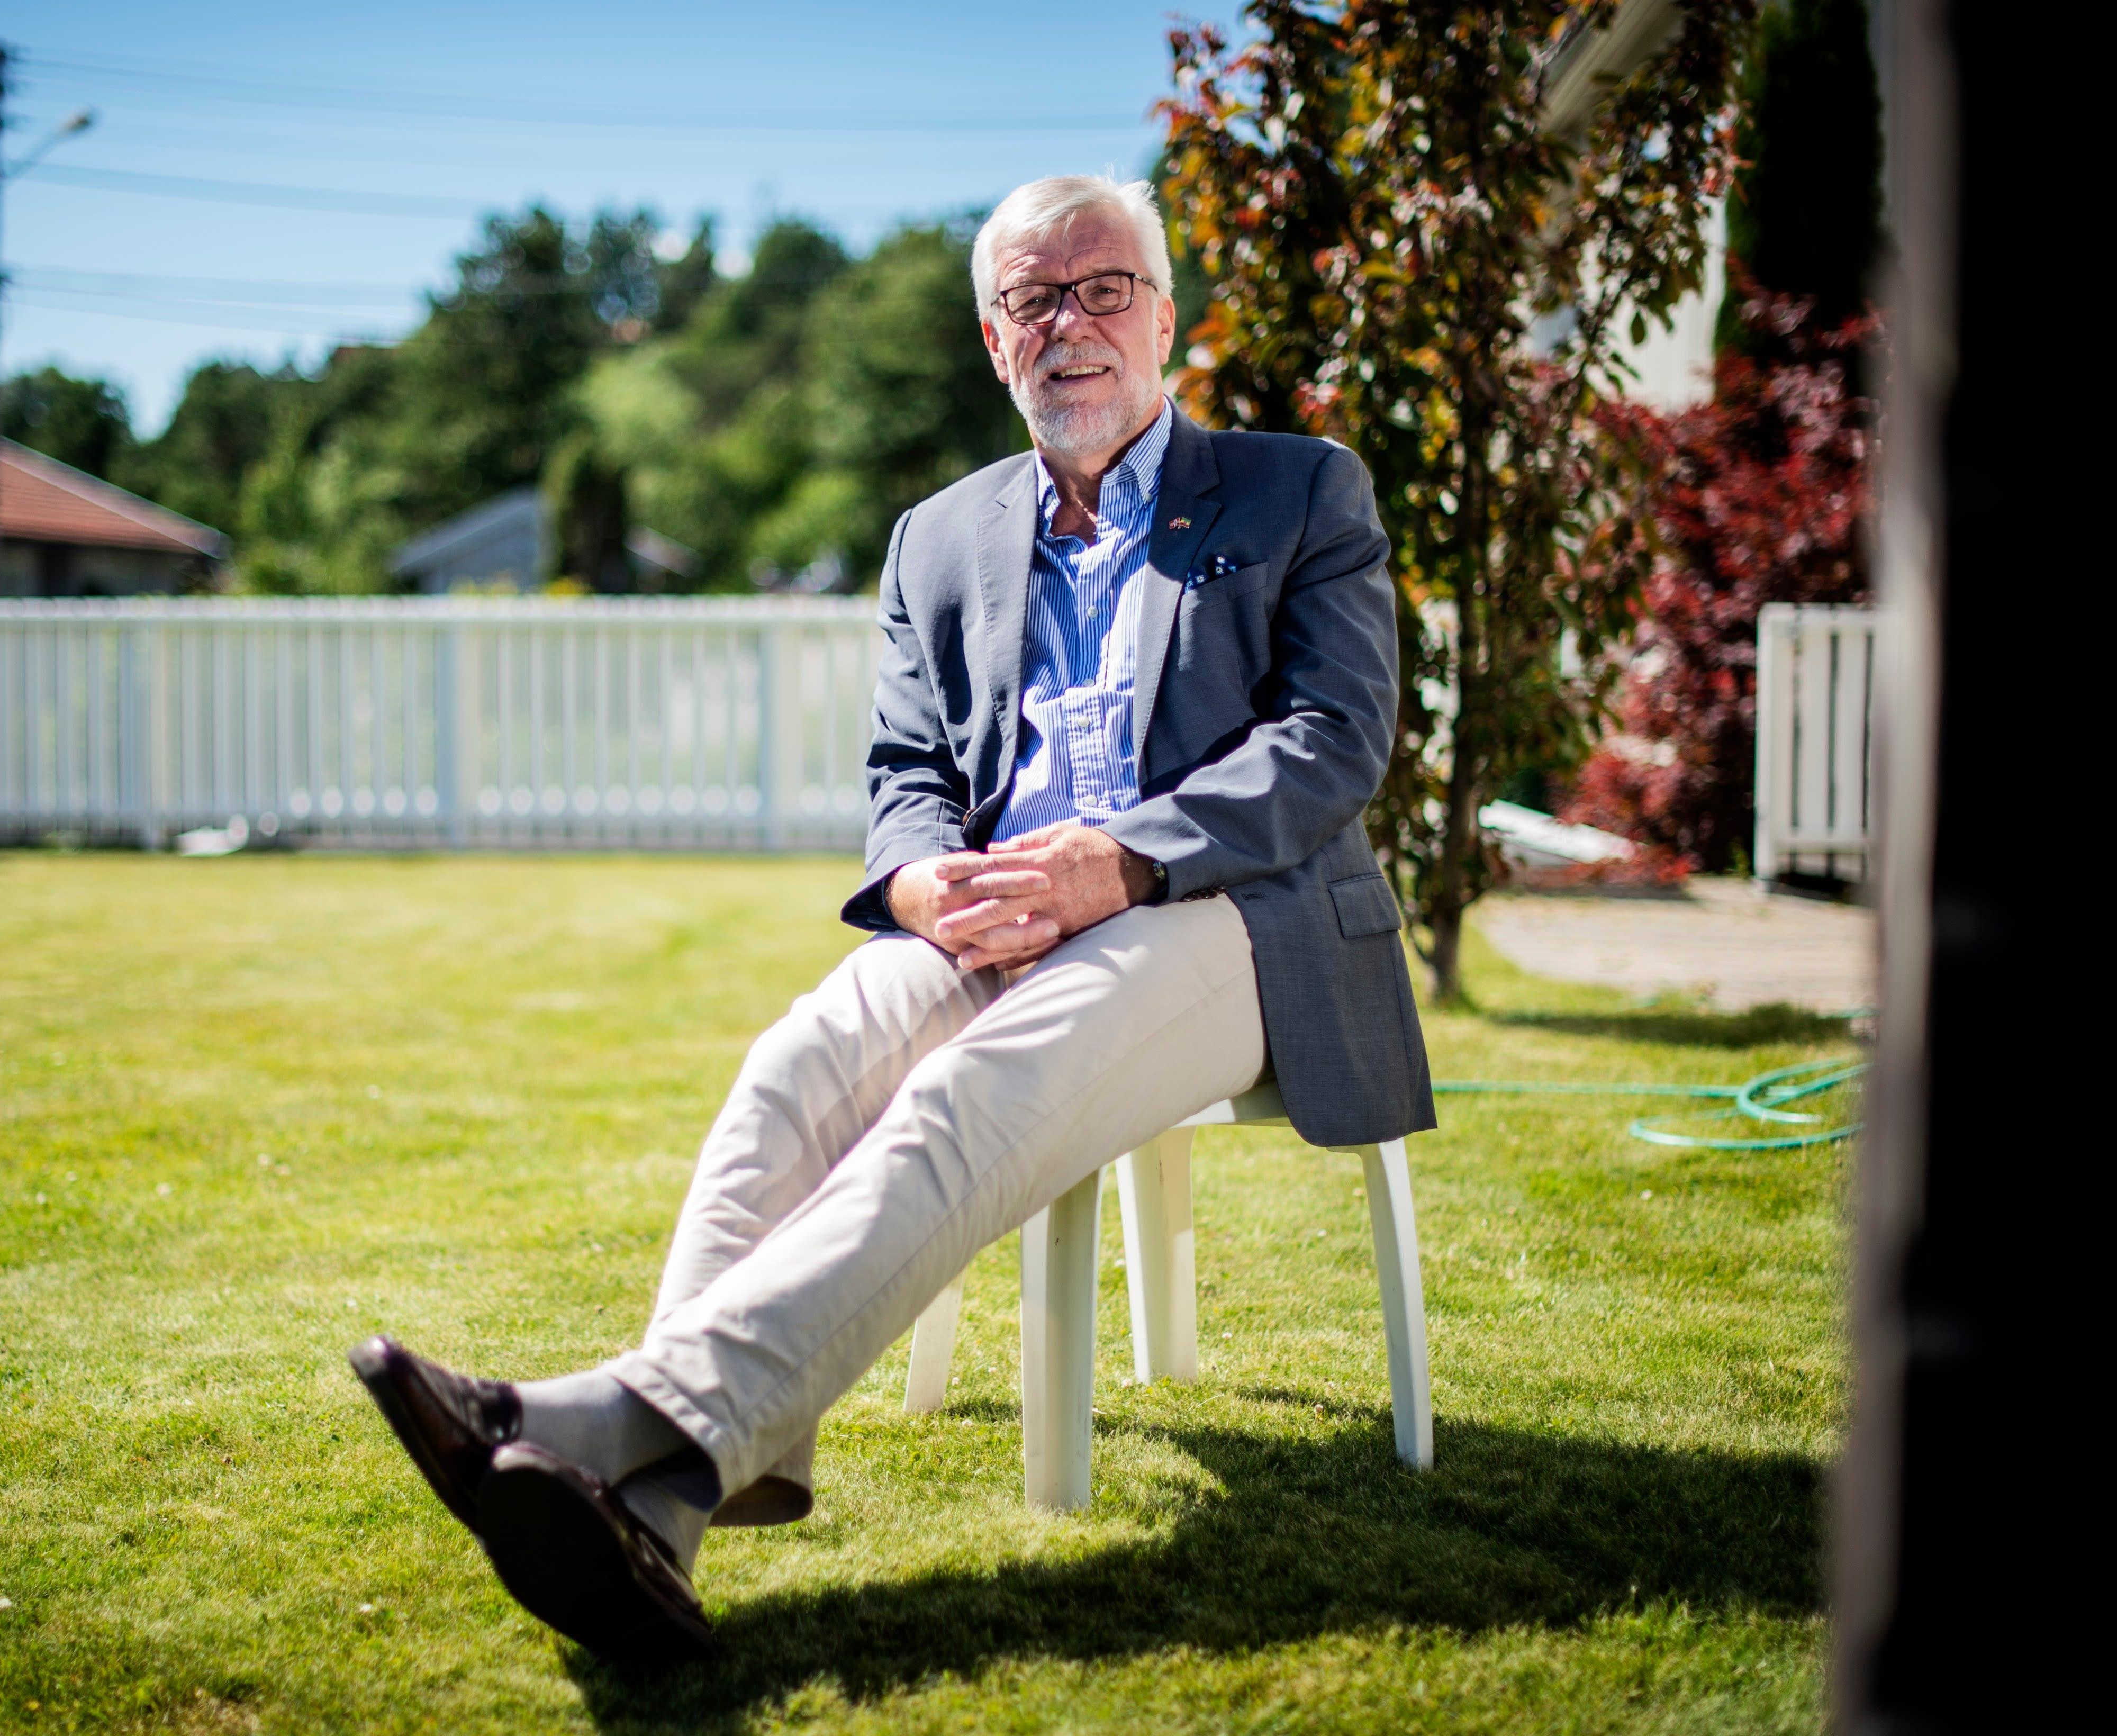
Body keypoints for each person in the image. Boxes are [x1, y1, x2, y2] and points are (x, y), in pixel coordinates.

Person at [348, 173, 1433, 1668]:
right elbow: (908, 772)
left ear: (1165, 317)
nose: (1070, 324)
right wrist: (920, 881)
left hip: (1234, 917)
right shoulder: (939, 536)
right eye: (1032, 301)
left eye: (1104, 289)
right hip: (994, 919)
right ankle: (658, 1516)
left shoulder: (1296, 489)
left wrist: (1121, 861)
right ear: (994, 340)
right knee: (793, 1067)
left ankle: (603, 1423)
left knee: (968, 1090)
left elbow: (1332, 741)